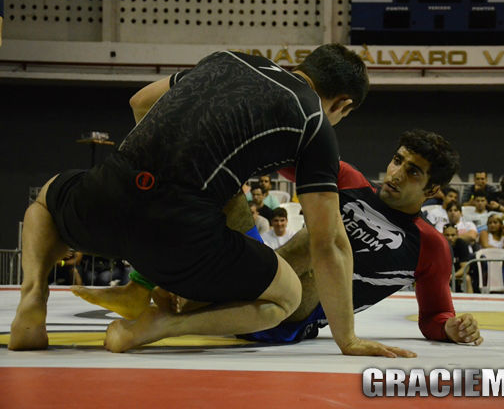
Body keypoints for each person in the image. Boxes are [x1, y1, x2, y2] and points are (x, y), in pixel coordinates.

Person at [10, 44, 413, 358]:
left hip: (108, 197)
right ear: (342, 104)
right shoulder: (315, 121)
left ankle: (32, 296)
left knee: (45, 200)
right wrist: (349, 339)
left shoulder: (225, 60)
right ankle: (161, 325)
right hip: (178, 239)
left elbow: (139, 102)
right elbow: (329, 242)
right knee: (286, 297)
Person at [73, 130, 483, 346]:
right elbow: (276, 157)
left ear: (432, 191)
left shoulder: (430, 246)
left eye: (413, 172)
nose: (396, 174)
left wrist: (451, 328)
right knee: (226, 183)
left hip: (293, 315)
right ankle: (142, 287)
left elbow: (434, 315)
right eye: (398, 160)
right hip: (261, 272)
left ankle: (184, 300)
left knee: (321, 242)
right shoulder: (348, 180)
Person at [442, 224, 475, 294]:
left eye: (453, 235)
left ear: (457, 234)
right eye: (447, 235)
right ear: (442, 235)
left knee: (467, 278)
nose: (450, 238)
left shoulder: (462, 244)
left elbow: (465, 268)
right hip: (442, 275)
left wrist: (452, 276)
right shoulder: (439, 245)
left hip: (457, 274)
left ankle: (471, 302)